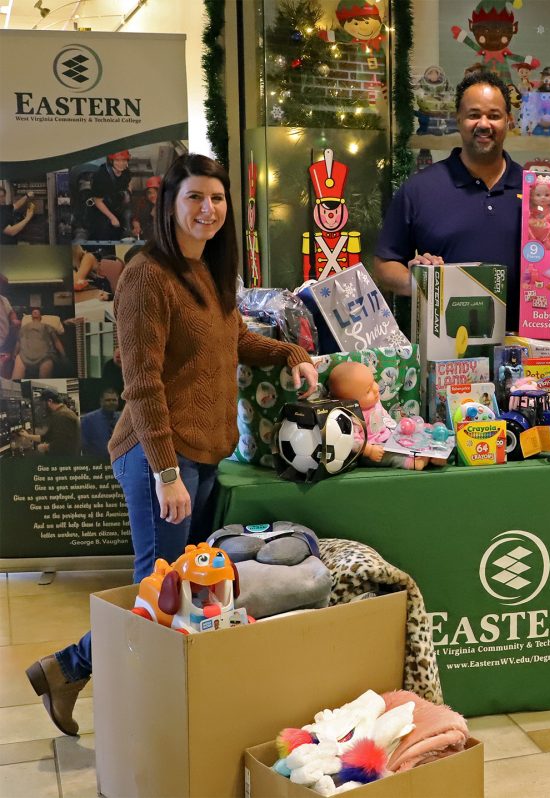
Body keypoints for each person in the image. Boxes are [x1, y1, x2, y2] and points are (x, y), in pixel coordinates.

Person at [26, 153, 319, 737]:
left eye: (216, 198)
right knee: (158, 594)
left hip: (206, 454)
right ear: (170, 204)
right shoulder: (147, 274)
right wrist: (166, 473)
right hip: (158, 455)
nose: (206, 209)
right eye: (194, 197)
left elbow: (233, 342)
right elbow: (141, 384)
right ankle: (138, 724)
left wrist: (291, 353)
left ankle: (67, 670)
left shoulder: (211, 270)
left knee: (183, 590)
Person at [374, 70, 525, 325]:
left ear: (509, 121)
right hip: (446, 351)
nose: (484, 124)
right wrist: (418, 282)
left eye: (494, 116)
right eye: (474, 115)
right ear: (458, 119)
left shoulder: (537, 192)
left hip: (525, 351)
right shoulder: (421, 189)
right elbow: (384, 265)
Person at [16, 388, 81, 455]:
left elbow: (61, 445)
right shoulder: (62, 412)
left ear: (50, 401)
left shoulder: (62, 416)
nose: (42, 407)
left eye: (43, 404)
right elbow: (46, 437)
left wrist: (45, 447)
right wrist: (27, 436)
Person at [86, 151, 133, 241]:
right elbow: (97, 201)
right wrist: (112, 218)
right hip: (100, 207)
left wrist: (127, 195)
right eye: (117, 160)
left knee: (119, 230)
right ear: (111, 161)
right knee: (103, 232)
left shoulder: (126, 173)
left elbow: (128, 184)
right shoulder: (101, 176)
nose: (121, 164)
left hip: (115, 204)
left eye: (124, 160)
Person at [11, 307, 64, 380]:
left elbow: (56, 341)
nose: (35, 312)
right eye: (33, 311)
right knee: (16, 376)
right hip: (24, 355)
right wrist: (14, 353)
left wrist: (63, 355)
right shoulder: (24, 327)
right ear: (31, 316)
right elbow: (18, 341)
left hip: (45, 355)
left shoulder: (47, 326)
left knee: (46, 370)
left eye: (37, 311)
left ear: (41, 316)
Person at [80, 385, 121, 457]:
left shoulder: (121, 418)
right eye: (108, 400)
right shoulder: (88, 419)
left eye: (114, 400)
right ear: (101, 401)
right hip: (97, 463)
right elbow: (84, 445)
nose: (111, 402)